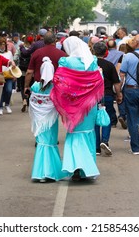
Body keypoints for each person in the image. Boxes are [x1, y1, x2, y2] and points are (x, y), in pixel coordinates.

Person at [50, 36, 104, 181]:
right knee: (88, 134)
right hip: (89, 105)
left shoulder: (66, 61)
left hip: (72, 104)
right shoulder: (92, 60)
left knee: (74, 133)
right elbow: (98, 81)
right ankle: (86, 170)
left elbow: (59, 80)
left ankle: (74, 168)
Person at [29, 57, 69, 182]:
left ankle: (41, 172)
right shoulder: (55, 87)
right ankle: (50, 171)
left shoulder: (35, 86)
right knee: (50, 143)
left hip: (39, 121)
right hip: (51, 121)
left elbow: (33, 103)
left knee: (41, 143)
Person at [93, 41, 122, 155]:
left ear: (93, 51)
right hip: (107, 94)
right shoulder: (109, 65)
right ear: (106, 52)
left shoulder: (90, 64)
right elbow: (116, 83)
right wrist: (119, 94)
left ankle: (96, 147)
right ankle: (105, 140)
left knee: (94, 120)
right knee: (107, 117)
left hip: (93, 95)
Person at [0, 38, 14, 115]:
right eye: (1, 45)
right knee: (0, 92)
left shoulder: (9, 53)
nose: (2, 46)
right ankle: (0, 107)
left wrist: (14, 74)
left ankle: (7, 104)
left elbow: (12, 63)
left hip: (8, 74)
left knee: (9, 90)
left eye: (4, 45)